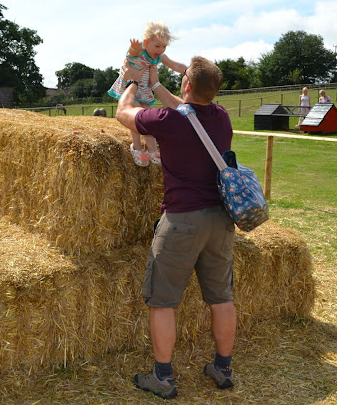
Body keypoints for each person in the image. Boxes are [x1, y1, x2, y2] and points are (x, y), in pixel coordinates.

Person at [115, 56, 237, 399]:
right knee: (222, 298)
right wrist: (155, 85)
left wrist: (130, 84)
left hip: (182, 219)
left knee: (163, 301)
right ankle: (223, 368)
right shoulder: (222, 117)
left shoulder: (168, 120)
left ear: (186, 85)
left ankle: (163, 377)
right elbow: (187, 109)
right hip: (220, 219)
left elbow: (124, 116)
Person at [109, 22, 187, 167]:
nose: (161, 50)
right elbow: (131, 53)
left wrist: (188, 71)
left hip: (144, 90)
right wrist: (134, 48)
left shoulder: (159, 56)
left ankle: (153, 150)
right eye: (157, 46)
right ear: (146, 43)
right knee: (137, 114)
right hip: (130, 89)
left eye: (164, 46)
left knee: (148, 118)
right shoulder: (140, 51)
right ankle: (136, 147)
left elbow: (176, 65)